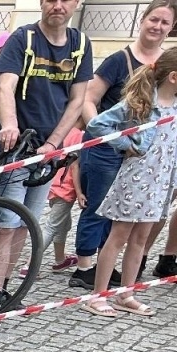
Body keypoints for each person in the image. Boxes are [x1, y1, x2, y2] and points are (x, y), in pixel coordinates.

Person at [0, 0, 93, 314]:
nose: (57, 5)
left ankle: (4, 286)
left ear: (76, 4)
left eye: (65, 0)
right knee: (6, 223)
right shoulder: (24, 38)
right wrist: (9, 124)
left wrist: (54, 143)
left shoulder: (80, 44)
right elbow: (5, 87)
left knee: (26, 224)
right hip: (17, 146)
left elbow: (77, 101)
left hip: (49, 150)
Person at [72, 0, 173, 288]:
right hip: (109, 148)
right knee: (99, 207)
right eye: (154, 19)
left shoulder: (168, 63)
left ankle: (112, 267)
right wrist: (113, 138)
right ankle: (85, 267)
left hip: (145, 158)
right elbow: (89, 101)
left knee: (127, 217)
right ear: (143, 19)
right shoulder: (118, 60)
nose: (158, 26)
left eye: (165, 22)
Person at [79, 49, 177, 314]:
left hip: (160, 183)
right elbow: (98, 125)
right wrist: (127, 144)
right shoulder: (141, 103)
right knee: (119, 235)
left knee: (142, 238)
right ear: (173, 77)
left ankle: (126, 293)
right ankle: (98, 295)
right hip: (135, 179)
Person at [42, 126, 84, 271]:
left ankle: (60, 259)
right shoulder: (78, 135)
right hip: (65, 188)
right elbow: (74, 166)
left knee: (64, 225)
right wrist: (79, 192)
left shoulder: (63, 129)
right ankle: (29, 264)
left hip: (53, 183)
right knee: (52, 226)